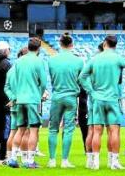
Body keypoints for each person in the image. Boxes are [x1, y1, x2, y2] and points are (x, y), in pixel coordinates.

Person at [79, 35, 125, 170]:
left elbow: (82, 77)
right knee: (114, 131)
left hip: (98, 99)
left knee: (97, 131)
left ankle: (95, 162)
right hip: (113, 99)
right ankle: (114, 162)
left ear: (105, 43)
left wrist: (91, 91)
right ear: (115, 45)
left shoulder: (94, 59)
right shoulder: (118, 58)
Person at [47, 33, 83, 168]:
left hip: (57, 96)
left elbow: (52, 78)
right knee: (68, 129)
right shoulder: (79, 61)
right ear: (72, 45)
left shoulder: (52, 60)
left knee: (53, 129)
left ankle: (51, 160)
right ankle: (65, 160)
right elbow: (81, 79)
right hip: (72, 97)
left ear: (60, 44)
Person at [11, 38, 48, 168]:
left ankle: (13, 158)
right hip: (32, 99)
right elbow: (43, 83)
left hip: (20, 99)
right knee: (33, 130)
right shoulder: (39, 61)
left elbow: (15, 81)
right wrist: (39, 94)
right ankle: (29, 161)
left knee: (20, 129)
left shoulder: (18, 61)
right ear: (39, 48)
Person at [5, 47, 28, 168]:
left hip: (13, 104)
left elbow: (6, 87)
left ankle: (10, 157)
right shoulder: (25, 70)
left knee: (13, 132)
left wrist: (12, 98)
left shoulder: (11, 70)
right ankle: (25, 159)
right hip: (23, 103)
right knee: (25, 132)